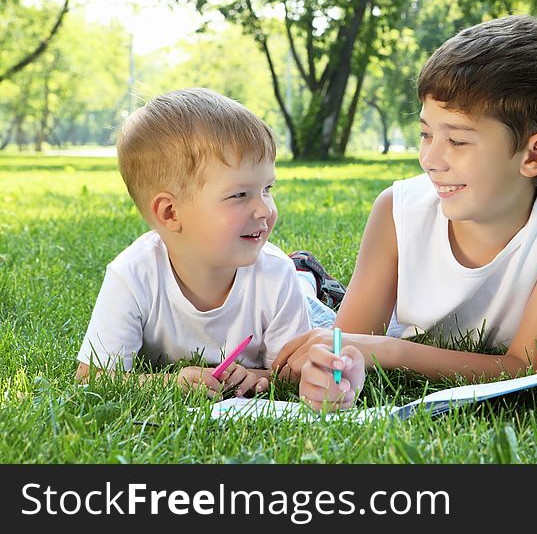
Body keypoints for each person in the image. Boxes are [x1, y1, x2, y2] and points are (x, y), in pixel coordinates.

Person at [275, 14, 537, 399]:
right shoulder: (397, 211)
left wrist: (391, 351)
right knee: (298, 308)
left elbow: (533, 368)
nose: (431, 158)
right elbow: (344, 350)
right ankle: (307, 275)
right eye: (426, 133)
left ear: (533, 155)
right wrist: (328, 372)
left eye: (458, 141)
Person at [74, 88, 364, 410]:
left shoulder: (274, 275)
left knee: (316, 309)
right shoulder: (132, 275)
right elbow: (93, 377)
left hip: (295, 287)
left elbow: (290, 370)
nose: (264, 209)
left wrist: (263, 377)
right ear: (170, 213)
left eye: (267, 189)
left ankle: (307, 272)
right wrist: (170, 381)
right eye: (240, 195)